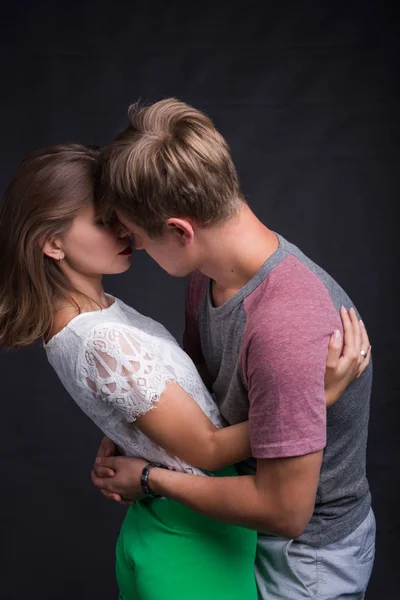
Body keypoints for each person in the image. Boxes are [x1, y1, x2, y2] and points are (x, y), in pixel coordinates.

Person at [0, 144, 367, 599]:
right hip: (193, 529)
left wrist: (127, 425)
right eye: (103, 221)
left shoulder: (97, 314)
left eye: (119, 216)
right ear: (52, 243)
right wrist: (318, 399)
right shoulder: (97, 337)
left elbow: (163, 389)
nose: (126, 232)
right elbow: (209, 448)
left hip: (219, 525)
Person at [91, 98, 375, 600]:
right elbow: (200, 402)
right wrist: (132, 433)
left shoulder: (286, 326)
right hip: (239, 519)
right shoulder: (207, 278)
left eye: (135, 237)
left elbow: (286, 513)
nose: (133, 250)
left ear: (180, 231)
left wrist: (151, 479)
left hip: (302, 556)